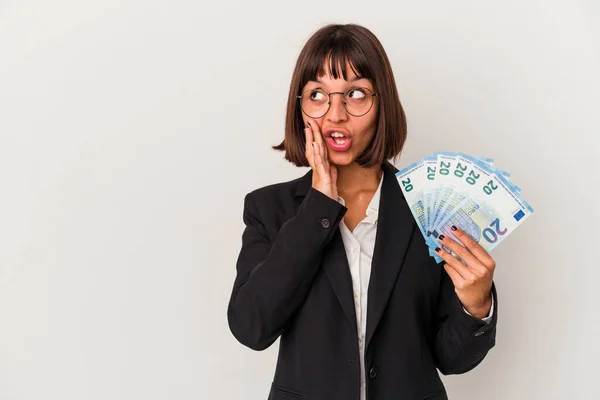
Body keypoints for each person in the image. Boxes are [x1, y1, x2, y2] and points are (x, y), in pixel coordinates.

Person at [227, 23, 498, 400]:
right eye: (318, 95)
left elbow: (452, 358)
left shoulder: (432, 207)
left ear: (381, 102)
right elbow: (251, 327)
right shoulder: (268, 209)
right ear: (300, 107)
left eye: (355, 94)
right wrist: (318, 208)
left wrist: (477, 304)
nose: (335, 114)